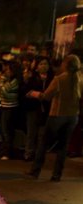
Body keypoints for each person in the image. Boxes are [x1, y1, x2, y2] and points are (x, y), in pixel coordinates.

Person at [26, 54, 83, 182]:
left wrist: (33, 93)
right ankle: (57, 175)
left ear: (66, 65)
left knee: (43, 144)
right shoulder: (80, 79)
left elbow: (46, 96)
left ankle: (35, 171)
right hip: (73, 116)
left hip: (57, 115)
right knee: (63, 146)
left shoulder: (59, 79)